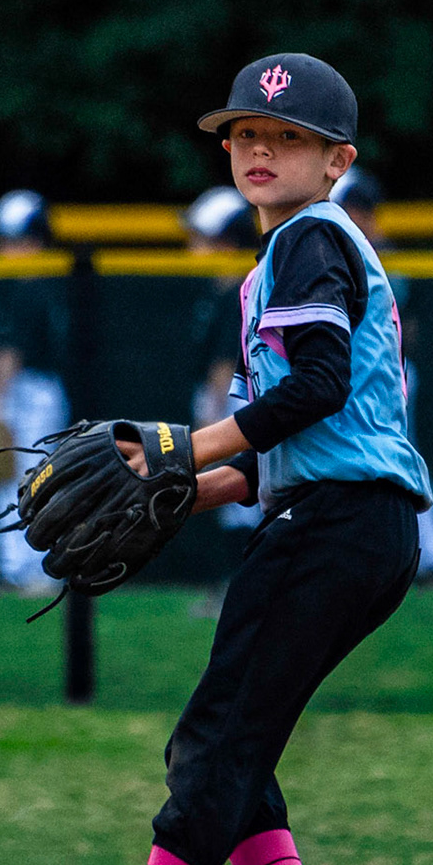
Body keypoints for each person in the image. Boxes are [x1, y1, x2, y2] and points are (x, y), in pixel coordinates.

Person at [5, 54, 433, 865]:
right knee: (227, 747)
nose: (257, 149)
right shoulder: (297, 253)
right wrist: (193, 488)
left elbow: (320, 385)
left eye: (285, 137)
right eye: (243, 133)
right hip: (340, 522)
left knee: (213, 747)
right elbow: (302, 429)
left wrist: (180, 445)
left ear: (337, 161)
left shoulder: (310, 239)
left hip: (334, 531)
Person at [331, 167, 433, 584]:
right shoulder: (353, 249)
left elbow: (404, 326)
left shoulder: (376, 255)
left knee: (395, 461)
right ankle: (412, 559)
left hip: (383, 377)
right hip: (358, 377)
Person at [0, 190, 70, 590]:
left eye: (7, 240)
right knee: (37, 476)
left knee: (21, 477)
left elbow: (9, 355)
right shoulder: (55, 282)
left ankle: (26, 572)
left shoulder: (27, 287)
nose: (1, 249)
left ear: (28, 240)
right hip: (50, 390)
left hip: (29, 391)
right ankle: (33, 571)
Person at [184, 185, 263, 611]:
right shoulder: (221, 289)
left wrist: (210, 424)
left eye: (201, 236)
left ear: (226, 241)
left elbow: (222, 364)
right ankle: (238, 587)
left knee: (238, 499)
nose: (192, 245)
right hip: (230, 403)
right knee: (234, 501)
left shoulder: (237, 291)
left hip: (233, 403)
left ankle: (241, 589)